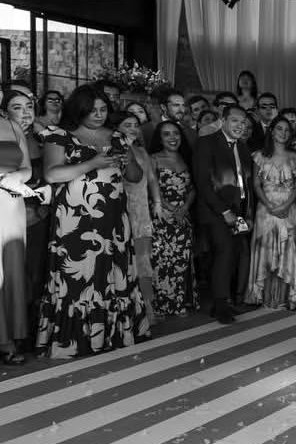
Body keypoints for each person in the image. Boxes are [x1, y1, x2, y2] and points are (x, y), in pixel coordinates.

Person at [37, 86, 149, 357]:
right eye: (92, 110)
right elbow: (52, 175)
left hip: (113, 220)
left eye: (103, 110)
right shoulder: (60, 136)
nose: (99, 115)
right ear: (79, 110)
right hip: (75, 221)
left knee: (111, 273)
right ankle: (74, 340)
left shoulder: (119, 137)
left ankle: (115, 333)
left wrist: (128, 160)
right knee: (79, 275)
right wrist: (93, 163)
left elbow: (134, 177)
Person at [194, 104, 255, 324]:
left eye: (243, 122)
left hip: (238, 211)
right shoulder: (206, 143)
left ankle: (223, 301)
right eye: (235, 121)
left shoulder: (243, 147)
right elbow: (203, 182)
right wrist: (224, 211)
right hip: (215, 211)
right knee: (224, 253)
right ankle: (220, 306)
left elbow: (246, 184)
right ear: (223, 120)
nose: (240, 126)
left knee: (232, 256)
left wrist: (247, 214)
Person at [244, 118, 296, 308]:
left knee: (287, 249)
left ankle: (284, 298)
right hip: (265, 209)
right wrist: (269, 204)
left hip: (288, 207)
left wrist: (286, 205)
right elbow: (255, 184)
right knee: (266, 250)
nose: (283, 133)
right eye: (279, 128)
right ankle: (264, 297)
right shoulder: (259, 155)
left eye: (287, 130)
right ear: (271, 131)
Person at [115, 111, 162, 325]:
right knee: (125, 262)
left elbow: (152, 180)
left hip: (142, 211)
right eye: (127, 124)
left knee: (144, 261)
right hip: (122, 210)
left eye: (135, 124)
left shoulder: (142, 151)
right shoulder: (114, 150)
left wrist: (158, 203)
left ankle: (148, 307)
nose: (133, 128)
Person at [148, 120, 197, 318]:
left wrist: (184, 208)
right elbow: (152, 188)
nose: (172, 138)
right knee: (161, 260)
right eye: (167, 134)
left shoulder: (187, 158)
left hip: (183, 216)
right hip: (161, 215)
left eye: (175, 133)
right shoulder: (153, 158)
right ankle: (160, 305)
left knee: (181, 260)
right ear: (160, 138)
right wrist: (170, 208)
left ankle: (178, 302)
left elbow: (193, 188)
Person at [0, 88, 34, 364]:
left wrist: (15, 179)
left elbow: (27, 168)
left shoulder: (12, 125)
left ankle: (9, 340)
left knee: (11, 271)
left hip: (10, 204)